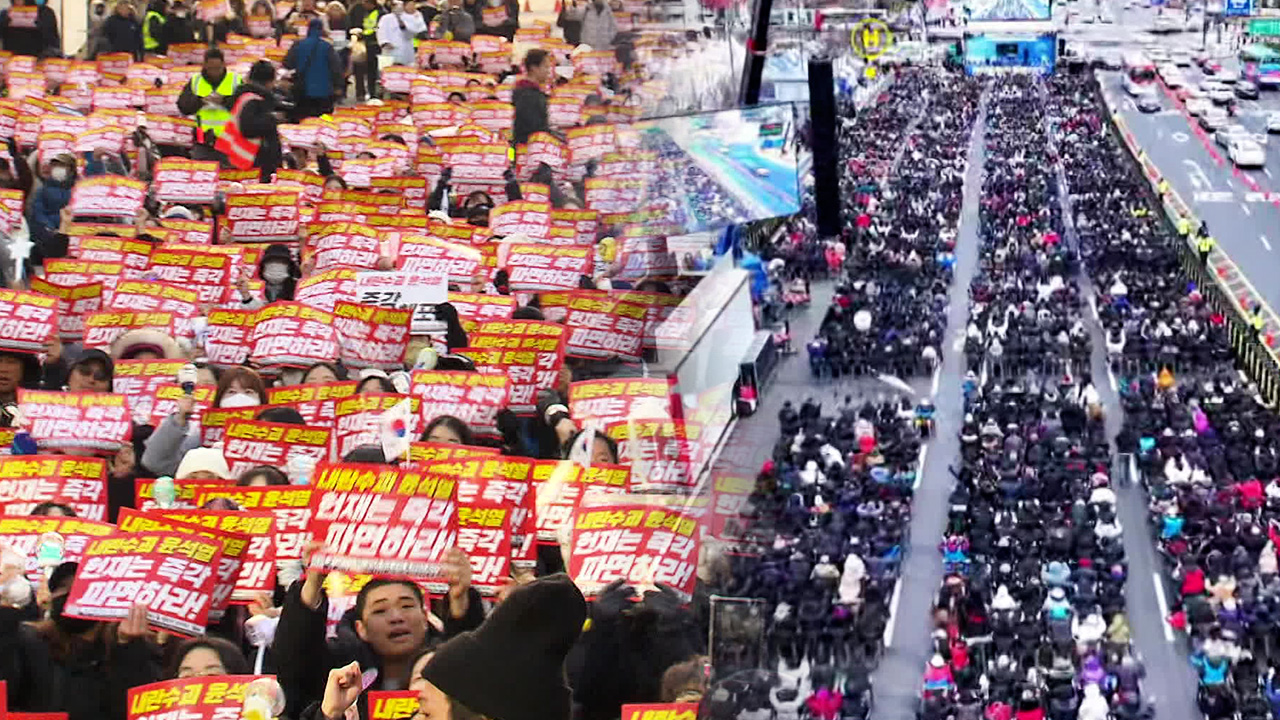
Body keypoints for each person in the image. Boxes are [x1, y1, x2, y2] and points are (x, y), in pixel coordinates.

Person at [274, 544, 485, 718]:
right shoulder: (343, 673)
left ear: (425, 617)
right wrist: (312, 585)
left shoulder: (448, 668)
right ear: (361, 628)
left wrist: (460, 600)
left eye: (407, 606)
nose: (396, 617)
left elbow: (475, 673)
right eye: (380, 610)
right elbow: (295, 664)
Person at [0, 562, 159, 720]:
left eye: (80, 588)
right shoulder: (25, 643)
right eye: (62, 587)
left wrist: (128, 647)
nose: (68, 593)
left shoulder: (125, 652)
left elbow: (135, 708)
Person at [216, 60, 284, 182]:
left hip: (241, 158)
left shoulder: (242, 96)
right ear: (270, 81)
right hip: (254, 161)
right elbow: (248, 128)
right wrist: (272, 119)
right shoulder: (254, 100)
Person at [177, 48, 241, 155]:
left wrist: (224, 100)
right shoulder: (195, 81)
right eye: (211, 68)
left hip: (230, 139)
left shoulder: (235, 80)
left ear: (224, 64)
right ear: (205, 65)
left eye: (218, 68)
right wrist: (200, 101)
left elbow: (244, 105)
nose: (214, 72)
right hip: (202, 140)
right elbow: (183, 106)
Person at [283, 18, 343, 121]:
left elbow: (287, 63)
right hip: (324, 92)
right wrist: (338, 86)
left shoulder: (298, 45)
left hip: (303, 91)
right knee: (323, 121)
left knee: (304, 120)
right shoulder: (327, 47)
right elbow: (336, 68)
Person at [512, 49, 553, 145]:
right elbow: (535, 128)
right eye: (546, 67)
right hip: (529, 149)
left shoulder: (523, 91)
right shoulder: (529, 96)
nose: (548, 72)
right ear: (534, 68)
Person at [349, 0, 383, 101]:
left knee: (372, 71)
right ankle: (362, 92)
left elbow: (377, 29)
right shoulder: (360, 10)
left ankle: (373, 93)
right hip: (362, 45)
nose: (363, 4)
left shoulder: (380, 13)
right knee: (359, 69)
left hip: (373, 45)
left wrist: (363, 35)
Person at [377, 0, 426, 69]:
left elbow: (417, 30)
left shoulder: (413, 16)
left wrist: (404, 24)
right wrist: (384, 42)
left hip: (406, 49)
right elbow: (380, 30)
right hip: (390, 50)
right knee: (388, 71)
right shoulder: (386, 18)